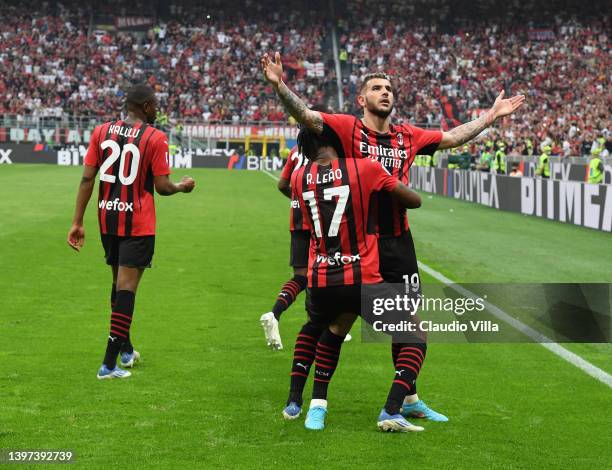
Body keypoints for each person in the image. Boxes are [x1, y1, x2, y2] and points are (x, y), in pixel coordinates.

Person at [262, 52, 525, 426]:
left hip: (399, 244)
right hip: (359, 245)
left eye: (388, 88)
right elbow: (307, 116)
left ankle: (408, 398)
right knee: (339, 322)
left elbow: (451, 137)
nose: (385, 93)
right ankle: (318, 403)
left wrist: (490, 117)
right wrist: (280, 85)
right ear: (361, 98)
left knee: (406, 324)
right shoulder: (347, 128)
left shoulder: (407, 135)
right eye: (376, 88)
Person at [287, 125, 424, 432]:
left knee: (332, 331)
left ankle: (315, 408)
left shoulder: (299, 177)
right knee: (414, 334)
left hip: (322, 279)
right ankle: (392, 408)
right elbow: (414, 201)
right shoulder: (365, 168)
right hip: (361, 276)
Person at [67, 84, 196, 380]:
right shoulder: (155, 137)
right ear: (147, 107)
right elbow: (162, 187)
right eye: (156, 105)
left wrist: (77, 221)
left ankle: (126, 350)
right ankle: (108, 364)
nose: (158, 109)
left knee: (117, 283)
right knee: (127, 289)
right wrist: (182, 186)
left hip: (108, 218)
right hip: (137, 221)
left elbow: (88, 179)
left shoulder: (101, 132)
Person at [260, 105, 349, 350]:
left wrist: (300, 199)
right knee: (328, 272)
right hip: (323, 220)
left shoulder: (296, 152)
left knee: (304, 275)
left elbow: (282, 184)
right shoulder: (329, 151)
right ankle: (328, 323)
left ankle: (276, 314)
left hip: (298, 218)